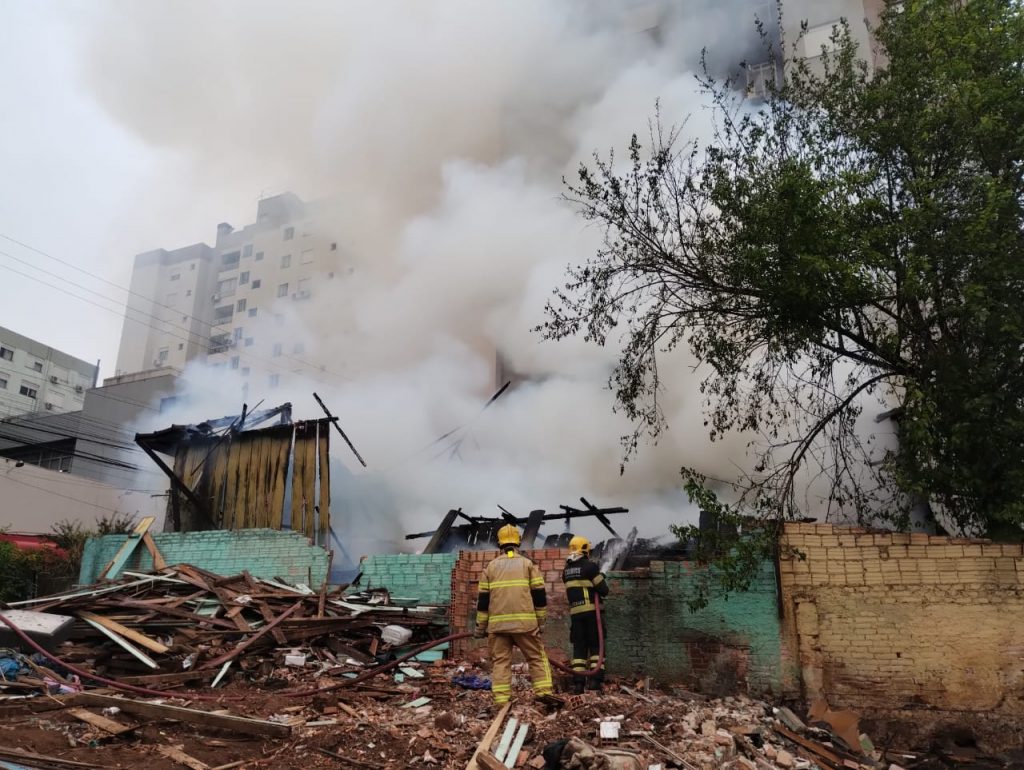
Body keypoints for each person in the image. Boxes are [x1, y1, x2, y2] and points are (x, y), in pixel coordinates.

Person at [474, 524, 555, 707]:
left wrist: (480, 627)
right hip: (525, 625)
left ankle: (502, 702)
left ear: (499, 543)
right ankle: (544, 695)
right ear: (518, 542)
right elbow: (539, 596)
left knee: (500, 662)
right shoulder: (528, 564)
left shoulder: (490, 567)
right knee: (536, 658)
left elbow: (483, 601)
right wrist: (541, 622)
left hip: (498, 627)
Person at [561, 535, 609, 693]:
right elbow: (604, 590)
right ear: (585, 549)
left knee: (579, 650)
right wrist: (601, 577)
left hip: (575, 615)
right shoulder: (590, 567)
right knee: (596, 647)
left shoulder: (566, 571)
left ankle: (578, 684)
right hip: (591, 613)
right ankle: (595, 682)